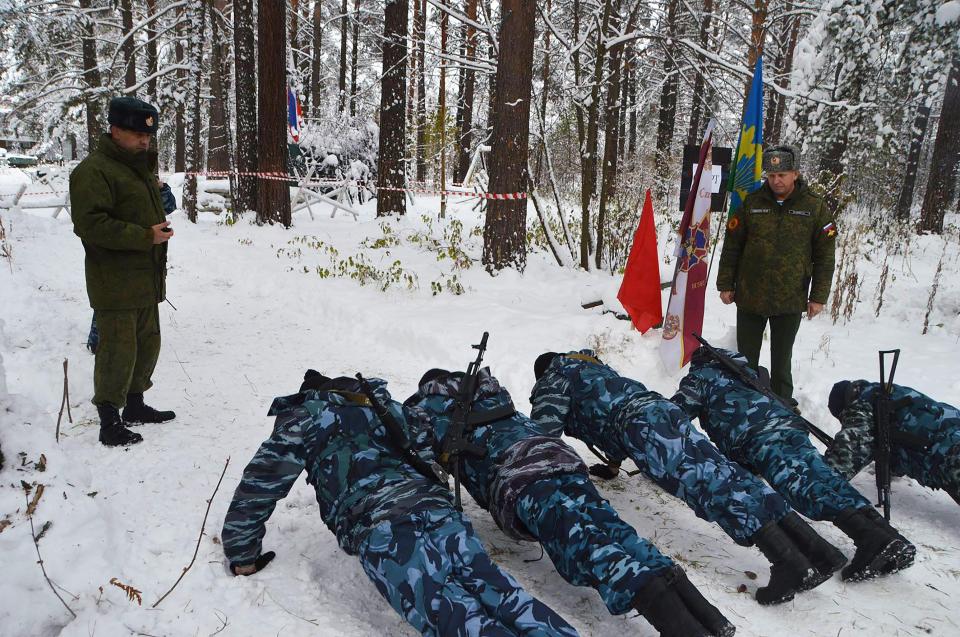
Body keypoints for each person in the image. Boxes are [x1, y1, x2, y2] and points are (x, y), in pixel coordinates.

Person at [222, 370, 579, 637]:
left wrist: (243, 553)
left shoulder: (306, 418)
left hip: (383, 527)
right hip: (436, 510)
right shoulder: (387, 408)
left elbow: (260, 485)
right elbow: (428, 450)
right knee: (501, 592)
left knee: (451, 612)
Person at [405, 368, 735, 636]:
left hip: (520, 478)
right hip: (557, 457)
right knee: (616, 532)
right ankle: (709, 617)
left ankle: (681, 628)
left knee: (587, 548)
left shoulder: (425, 411)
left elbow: (422, 467)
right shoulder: (488, 389)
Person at [531, 351, 841, 606]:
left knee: (710, 487)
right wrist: (612, 466)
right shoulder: (593, 368)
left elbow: (544, 436)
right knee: (729, 476)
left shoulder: (553, 379)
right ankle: (818, 551)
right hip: (661, 410)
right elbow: (606, 412)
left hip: (640, 429)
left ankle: (789, 564)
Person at [672, 346, 916, 582]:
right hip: (789, 426)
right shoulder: (744, 371)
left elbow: (673, 415)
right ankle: (889, 537)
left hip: (759, 438)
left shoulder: (701, 377)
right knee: (825, 477)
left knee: (805, 488)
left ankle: (870, 540)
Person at [70, 96, 175, 447]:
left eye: (148, 135)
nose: (145, 140)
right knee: (117, 350)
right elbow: (91, 225)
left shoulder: (137, 168)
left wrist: (160, 207)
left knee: (147, 344)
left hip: (145, 276)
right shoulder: (93, 171)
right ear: (115, 130)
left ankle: (135, 404)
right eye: (136, 133)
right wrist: (146, 236)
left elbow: (144, 209)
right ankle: (109, 420)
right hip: (114, 280)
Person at [716, 145, 837, 408]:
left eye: (782, 174)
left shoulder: (814, 208)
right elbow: (732, 245)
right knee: (745, 358)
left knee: (781, 359)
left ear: (795, 173)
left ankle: (783, 407)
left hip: (789, 297)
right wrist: (725, 283)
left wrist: (818, 296)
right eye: (771, 176)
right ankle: (744, 404)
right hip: (750, 294)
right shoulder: (752, 203)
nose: (776, 181)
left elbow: (825, 256)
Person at [826, 380, 960, 504]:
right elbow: (906, 437)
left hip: (950, 455)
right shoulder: (887, 394)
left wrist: (818, 476)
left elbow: (850, 453)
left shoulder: (861, 405)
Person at [87, 180, 176, 354]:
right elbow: (96, 224)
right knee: (112, 296)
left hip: (145, 255)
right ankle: (98, 340)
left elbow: (169, 206)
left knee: (141, 299)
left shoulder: (146, 181)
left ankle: (136, 339)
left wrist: (160, 187)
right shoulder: (110, 181)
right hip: (118, 251)